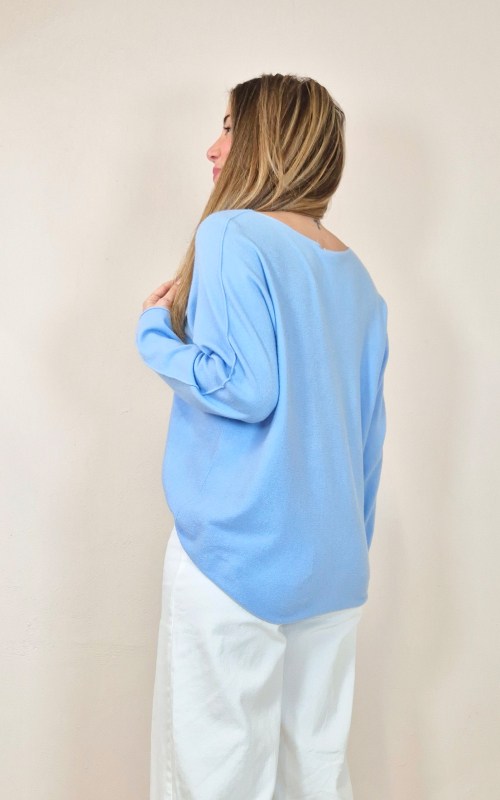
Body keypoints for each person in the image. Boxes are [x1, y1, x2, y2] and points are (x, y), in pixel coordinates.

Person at [136, 72, 389, 800]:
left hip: (234, 559)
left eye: (229, 127)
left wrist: (154, 333)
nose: (213, 148)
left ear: (267, 141)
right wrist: (347, 546)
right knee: (315, 775)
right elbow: (367, 440)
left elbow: (244, 387)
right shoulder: (358, 277)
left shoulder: (231, 232)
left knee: (215, 776)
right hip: (332, 566)